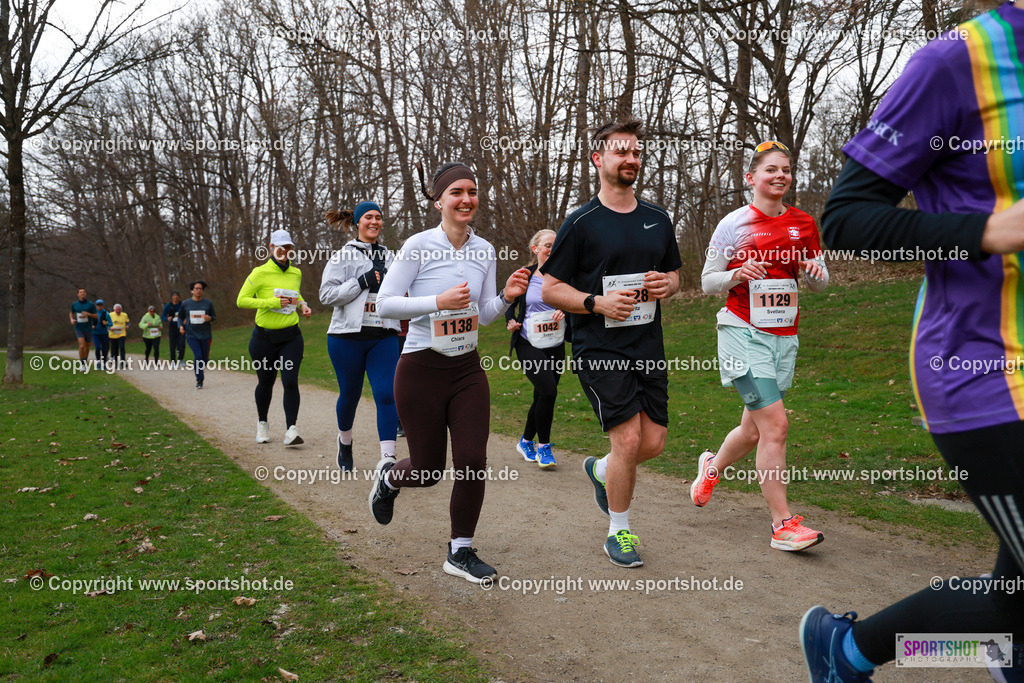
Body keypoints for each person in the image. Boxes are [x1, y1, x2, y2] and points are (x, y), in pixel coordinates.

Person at [798, 3, 1024, 681]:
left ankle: (850, 649)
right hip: (982, 372)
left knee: (1009, 611)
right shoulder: (956, 64)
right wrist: (988, 231)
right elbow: (845, 217)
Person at [368, 161, 530, 583]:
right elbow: (383, 304)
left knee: (473, 461)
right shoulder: (418, 246)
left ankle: (460, 551)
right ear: (438, 200)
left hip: (466, 370)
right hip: (421, 369)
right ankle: (389, 481)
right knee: (426, 470)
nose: (465, 199)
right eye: (456, 192)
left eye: (472, 191)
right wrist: (437, 301)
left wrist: (507, 296)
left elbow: (481, 316)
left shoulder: (485, 250)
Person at [541, 120, 682, 568]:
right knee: (626, 438)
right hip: (599, 346)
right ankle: (619, 532)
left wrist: (668, 284)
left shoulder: (658, 218)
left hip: (648, 344)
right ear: (598, 159)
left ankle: (601, 471)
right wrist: (595, 302)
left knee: (654, 442)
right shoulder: (580, 223)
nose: (631, 160)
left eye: (636, 153)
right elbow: (550, 288)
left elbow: (676, 275)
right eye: (621, 152)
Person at [693, 141, 829, 553]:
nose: (780, 176)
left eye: (785, 170)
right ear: (751, 178)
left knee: (753, 430)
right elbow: (706, 281)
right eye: (771, 170)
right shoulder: (733, 224)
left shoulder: (804, 223)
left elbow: (822, 281)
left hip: (783, 337)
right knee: (776, 425)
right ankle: (782, 525)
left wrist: (812, 271)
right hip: (741, 332)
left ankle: (711, 468)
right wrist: (736, 273)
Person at [320, 202, 401, 470]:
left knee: (386, 394)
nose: (374, 221)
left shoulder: (392, 257)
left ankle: (388, 458)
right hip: (346, 339)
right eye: (368, 217)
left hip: (384, 335)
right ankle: (345, 442)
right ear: (357, 223)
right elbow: (326, 295)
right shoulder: (343, 256)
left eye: (378, 217)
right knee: (350, 395)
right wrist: (361, 282)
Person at [236, 230, 310, 446]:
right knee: (265, 383)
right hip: (264, 339)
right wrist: (272, 302)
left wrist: (303, 305)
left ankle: (292, 430)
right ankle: (262, 424)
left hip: (291, 337)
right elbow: (242, 300)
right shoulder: (259, 273)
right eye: (279, 247)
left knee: (290, 381)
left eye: (287, 247)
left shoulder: (296, 273)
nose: (284, 251)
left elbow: (295, 295)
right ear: (270, 248)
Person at [505, 229, 566, 468]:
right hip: (528, 342)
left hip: (556, 343)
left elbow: (575, 302)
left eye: (556, 244)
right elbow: (509, 301)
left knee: (542, 394)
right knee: (549, 392)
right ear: (536, 249)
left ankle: (526, 441)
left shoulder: (564, 275)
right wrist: (510, 320)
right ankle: (545, 448)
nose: (552, 249)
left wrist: (567, 311)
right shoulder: (525, 275)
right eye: (548, 245)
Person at [179, 281, 216, 389]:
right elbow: (180, 317)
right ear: (192, 291)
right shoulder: (186, 304)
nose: (199, 290)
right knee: (198, 356)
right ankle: (199, 380)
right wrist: (181, 326)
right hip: (191, 335)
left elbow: (213, 317)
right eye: (196, 288)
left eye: (200, 289)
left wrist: (210, 318)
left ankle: (200, 366)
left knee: (204, 358)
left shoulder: (208, 303)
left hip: (205, 335)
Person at [69, 287, 97, 370]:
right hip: (79, 328)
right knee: (82, 346)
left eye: (84, 292)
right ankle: (82, 364)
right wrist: (71, 319)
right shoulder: (74, 305)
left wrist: (89, 314)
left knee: (87, 347)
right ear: (78, 294)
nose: (82, 293)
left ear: (86, 294)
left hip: (88, 328)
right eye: (80, 292)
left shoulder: (90, 304)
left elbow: (96, 316)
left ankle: (85, 363)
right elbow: (71, 313)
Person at [163, 291, 186, 367]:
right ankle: (173, 361)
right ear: (172, 297)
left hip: (181, 327)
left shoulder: (182, 304)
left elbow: (187, 313)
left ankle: (181, 359)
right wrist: (167, 318)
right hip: (172, 327)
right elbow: (163, 316)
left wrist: (186, 319)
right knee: (172, 345)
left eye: (177, 295)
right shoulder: (168, 306)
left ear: (179, 297)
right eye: (174, 296)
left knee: (182, 344)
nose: (175, 297)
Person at [108, 303, 130, 368]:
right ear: (114, 310)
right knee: (115, 349)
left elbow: (128, 322)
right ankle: (116, 362)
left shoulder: (124, 315)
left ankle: (123, 361)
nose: (118, 311)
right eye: (117, 309)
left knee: (122, 347)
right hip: (113, 335)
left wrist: (127, 326)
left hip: (122, 333)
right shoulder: (110, 315)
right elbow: (106, 324)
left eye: (119, 309)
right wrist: (110, 328)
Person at [92, 299, 112, 368]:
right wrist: (91, 326)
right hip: (95, 333)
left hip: (104, 333)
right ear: (96, 306)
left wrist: (106, 323)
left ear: (103, 306)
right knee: (97, 348)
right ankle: (98, 362)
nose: (99, 306)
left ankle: (104, 363)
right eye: (98, 305)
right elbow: (89, 322)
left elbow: (111, 323)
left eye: (101, 305)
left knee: (104, 349)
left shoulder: (106, 314)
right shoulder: (93, 313)